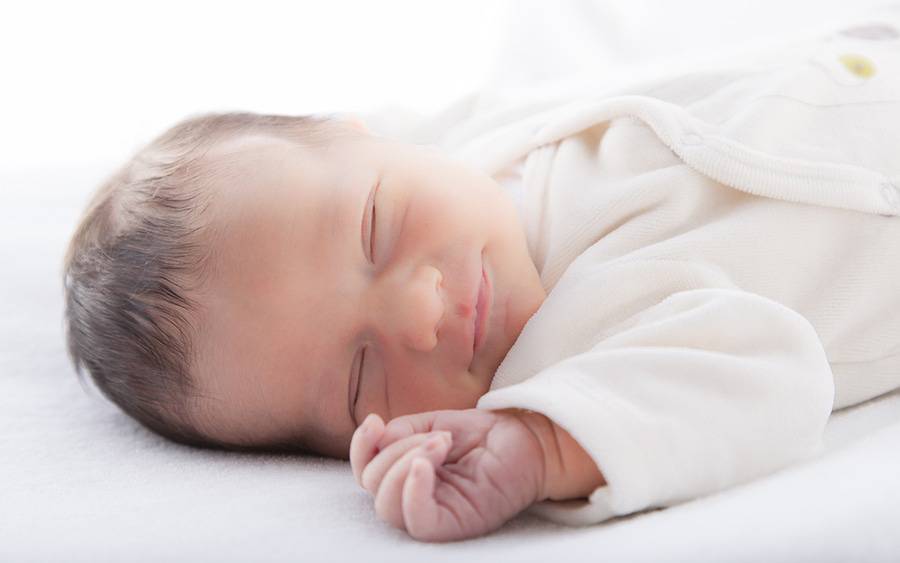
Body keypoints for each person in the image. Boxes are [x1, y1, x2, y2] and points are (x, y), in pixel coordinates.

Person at [62, 17, 900, 542]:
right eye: (361, 374)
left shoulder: (473, 145)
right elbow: (765, 378)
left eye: (374, 228)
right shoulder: (574, 359)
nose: (424, 310)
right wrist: (543, 445)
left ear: (361, 138)